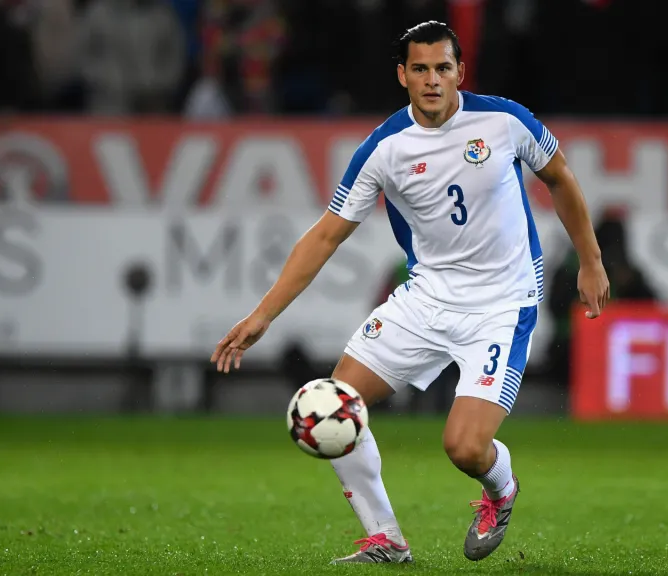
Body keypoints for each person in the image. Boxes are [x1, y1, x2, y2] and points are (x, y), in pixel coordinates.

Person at [210, 21, 610, 564]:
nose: (432, 80)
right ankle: (386, 539)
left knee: (464, 448)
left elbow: (560, 177)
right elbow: (327, 233)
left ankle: (501, 488)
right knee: (332, 405)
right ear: (402, 75)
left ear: (460, 72)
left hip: (500, 304)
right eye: (419, 69)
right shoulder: (385, 149)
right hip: (425, 299)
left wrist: (590, 261)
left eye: (442, 68)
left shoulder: (504, 121)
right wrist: (263, 315)